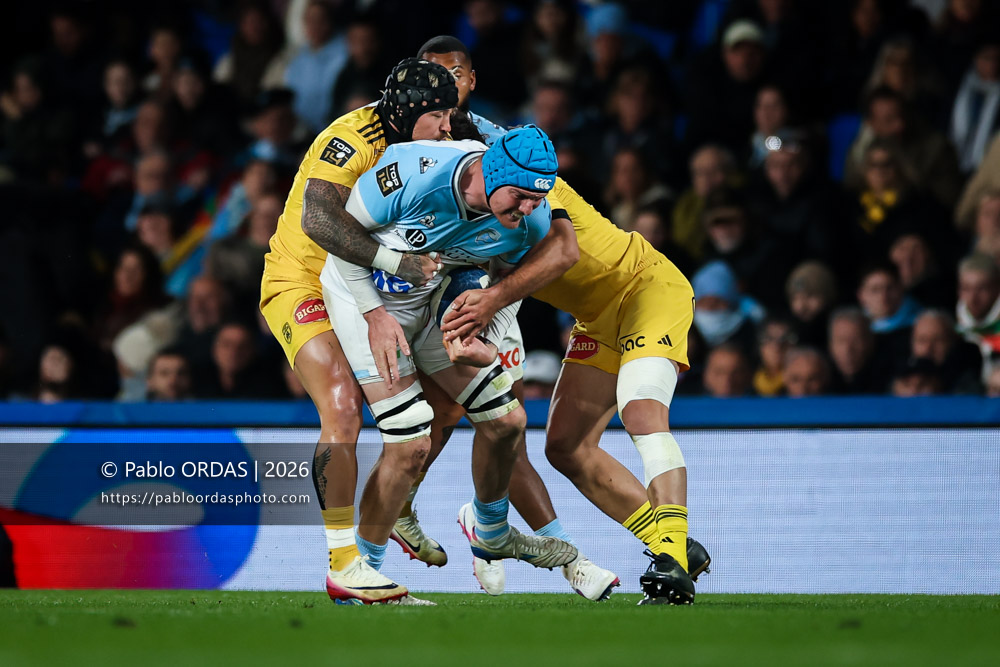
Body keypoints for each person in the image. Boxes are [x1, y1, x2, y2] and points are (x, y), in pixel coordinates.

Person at [418, 36, 712, 605]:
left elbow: (562, 252)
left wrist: (490, 301)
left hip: (646, 285)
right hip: (595, 314)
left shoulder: (512, 157)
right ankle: (670, 541)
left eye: (446, 82)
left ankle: (672, 553)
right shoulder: (456, 180)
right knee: (566, 446)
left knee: (642, 406)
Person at [319, 127, 579, 602]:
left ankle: (493, 532)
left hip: (433, 303)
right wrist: (374, 316)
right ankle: (359, 572)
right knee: (413, 439)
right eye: (521, 197)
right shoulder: (416, 173)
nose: (527, 210)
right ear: (495, 171)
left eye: (536, 200)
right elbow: (340, 236)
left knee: (508, 421)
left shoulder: (529, 221)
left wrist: (480, 338)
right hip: (366, 300)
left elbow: (499, 285)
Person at [259, 57, 456, 605]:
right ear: (408, 112)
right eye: (438, 115)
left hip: (362, 290)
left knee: (439, 408)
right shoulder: (351, 137)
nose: (447, 127)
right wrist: (396, 264)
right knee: (344, 408)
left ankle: (386, 529)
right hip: (302, 283)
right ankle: (344, 565)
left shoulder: (432, 142)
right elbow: (318, 220)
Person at [955, 253, 1000, 384]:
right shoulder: (950, 326)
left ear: (997, 288)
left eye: (982, 289)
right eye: (966, 289)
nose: (973, 298)